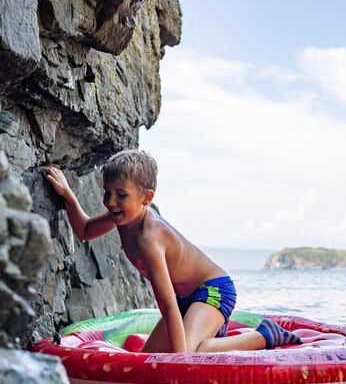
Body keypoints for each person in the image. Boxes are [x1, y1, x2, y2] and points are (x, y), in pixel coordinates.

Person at [42, 149, 301, 353]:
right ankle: (208, 331)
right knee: (146, 359)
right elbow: (86, 230)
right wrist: (68, 195)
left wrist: (181, 358)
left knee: (191, 352)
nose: (110, 202)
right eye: (107, 192)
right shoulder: (122, 216)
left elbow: (166, 305)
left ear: (146, 198)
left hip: (213, 291)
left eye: (121, 195)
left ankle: (264, 335)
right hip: (185, 300)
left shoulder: (148, 237)